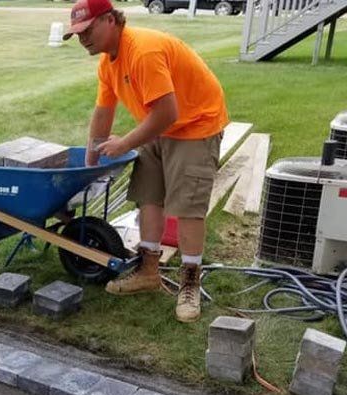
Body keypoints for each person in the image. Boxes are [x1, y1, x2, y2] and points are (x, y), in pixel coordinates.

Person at [63, 0, 228, 322]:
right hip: (157, 127)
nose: (82, 39)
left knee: (187, 207)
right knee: (149, 196)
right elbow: (103, 112)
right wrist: (90, 161)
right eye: (77, 34)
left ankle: (190, 281)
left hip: (196, 125)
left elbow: (169, 112)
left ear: (110, 20)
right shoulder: (107, 63)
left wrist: (124, 142)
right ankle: (148, 271)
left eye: (87, 30)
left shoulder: (143, 51)